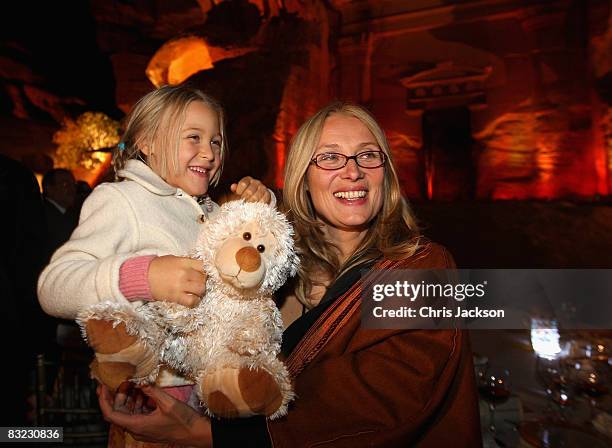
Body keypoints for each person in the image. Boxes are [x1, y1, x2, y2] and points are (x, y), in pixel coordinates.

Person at [96, 102, 482, 447]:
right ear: (303, 177)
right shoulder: (275, 269)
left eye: (368, 156)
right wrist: (137, 375)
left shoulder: (424, 267)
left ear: (387, 172)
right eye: (330, 157)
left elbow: (382, 406)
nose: (353, 172)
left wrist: (197, 432)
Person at [37, 84, 275, 447]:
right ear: (147, 142)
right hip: (153, 402)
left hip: (210, 398)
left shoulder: (208, 210)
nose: (208, 153)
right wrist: (144, 276)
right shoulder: (122, 199)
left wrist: (259, 209)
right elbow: (54, 286)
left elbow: (252, 273)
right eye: (193, 137)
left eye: (215, 141)